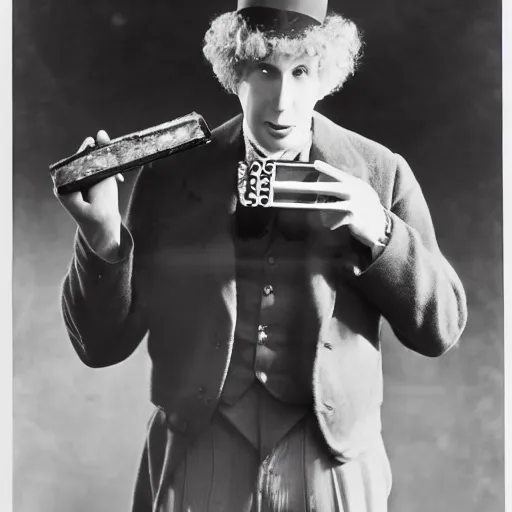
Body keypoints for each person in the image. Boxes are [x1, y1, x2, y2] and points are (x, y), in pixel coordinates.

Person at [55, 0, 468, 510]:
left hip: (328, 460)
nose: (282, 102)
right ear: (235, 72)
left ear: (327, 75)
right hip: (198, 452)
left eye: (301, 72)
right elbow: (101, 347)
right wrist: (102, 239)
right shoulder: (169, 177)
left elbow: (440, 329)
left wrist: (382, 233)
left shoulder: (381, 173)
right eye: (265, 72)